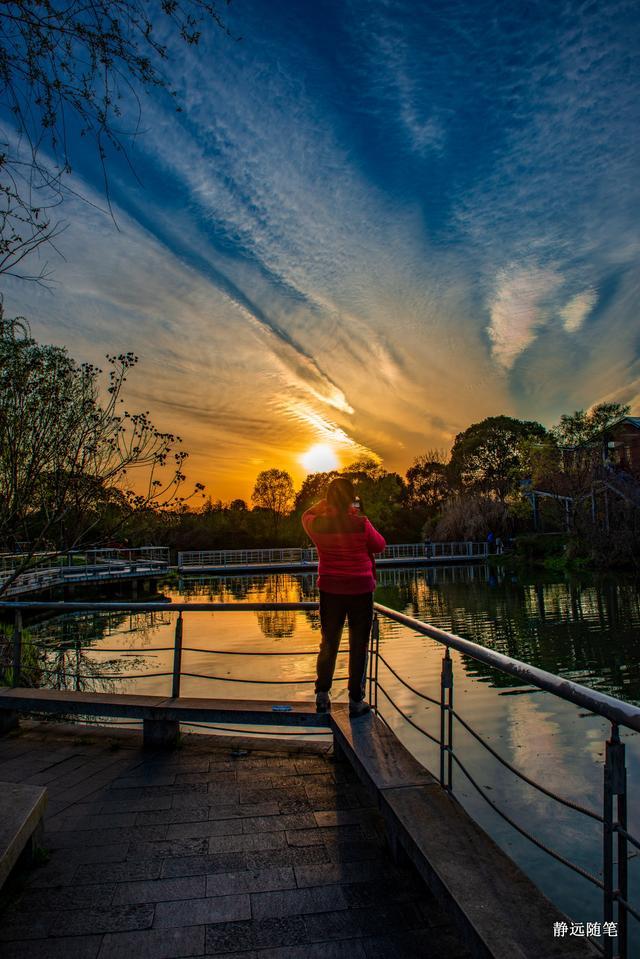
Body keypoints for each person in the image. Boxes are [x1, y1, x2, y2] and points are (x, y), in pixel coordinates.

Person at [302, 477, 386, 718]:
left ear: (329, 499)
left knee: (329, 642)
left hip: (330, 591)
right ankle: (355, 700)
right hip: (360, 591)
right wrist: (353, 512)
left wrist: (322, 505)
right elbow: (380, 545)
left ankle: (321, 695)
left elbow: (305, 515)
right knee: (359, 645)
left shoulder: (317, 525)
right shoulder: (361, 523)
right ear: (351, 499)